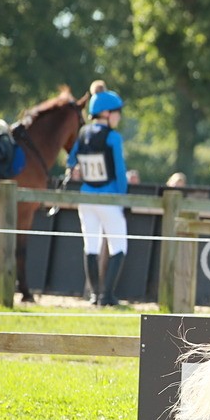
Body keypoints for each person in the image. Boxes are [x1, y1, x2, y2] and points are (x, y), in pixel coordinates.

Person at [67, 89, 128, 306]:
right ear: (106, 113)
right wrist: (123, 196)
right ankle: (107, 296)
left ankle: (94, 295)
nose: (118, 117)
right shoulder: (113, 137)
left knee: (90, 245)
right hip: (109, 197)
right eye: (117, 113)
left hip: (86, 196)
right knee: (119, 245)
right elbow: (120, 171)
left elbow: (71, 160)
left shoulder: (83, 133)